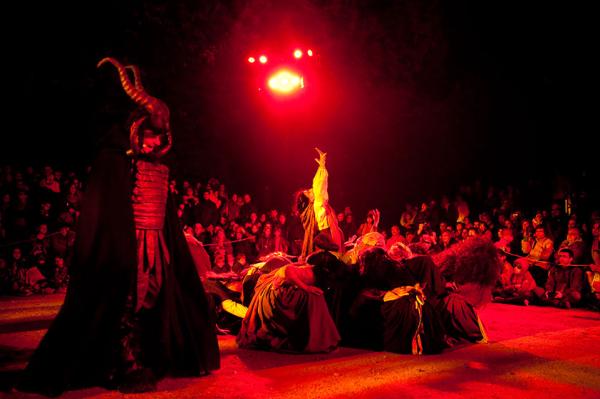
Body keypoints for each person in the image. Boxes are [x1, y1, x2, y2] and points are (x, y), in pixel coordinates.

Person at [18, 58, 219, 396]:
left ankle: (148, 353)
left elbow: (165, 211)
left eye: (161, 136)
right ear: (139, 129)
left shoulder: (159, 164)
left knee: (154, 300)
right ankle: (123, 360)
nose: (156, 143)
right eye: (151, 135)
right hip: (126, 245)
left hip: (156, 244)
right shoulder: (114, 161)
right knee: (124, 300)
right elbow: (107, 211)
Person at [294, 148, 344, 259]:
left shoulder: (317, 204)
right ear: (308, 200)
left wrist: (322, 166)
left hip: (327, 234)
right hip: (324, 236)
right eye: (307, 192)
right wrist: (322, 166)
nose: (309, 190)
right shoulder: (314, 205)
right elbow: (319, 186)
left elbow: (319, 186)